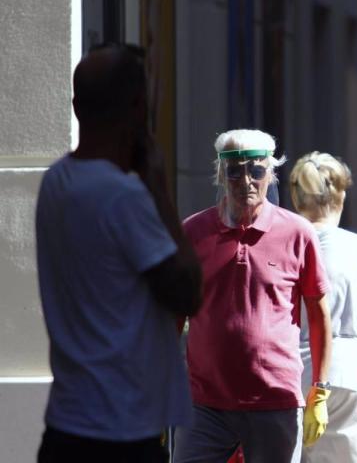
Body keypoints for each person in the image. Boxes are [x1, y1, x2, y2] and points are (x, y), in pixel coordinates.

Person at [35, 43, 202, 462]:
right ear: (138, 108)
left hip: (68, 424)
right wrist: (160, 189)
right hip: (121, 430)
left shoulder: (56, 182)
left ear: (76, 107)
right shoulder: (123, 196)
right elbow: (187, 292)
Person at [173, 129, 333, 463]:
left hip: (275, 399)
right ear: (221, 174)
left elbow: (318, 314)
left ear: (271, 174)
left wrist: (319, 388)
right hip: (205, 403)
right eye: (235, 171)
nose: (246, 180)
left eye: (256, 171)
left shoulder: (297, 233)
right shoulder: (192, 232)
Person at [289, 152, 357, 463]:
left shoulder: (285, 242)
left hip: (295, 372)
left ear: (295, 197)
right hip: (352, 373)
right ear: (340, 196)